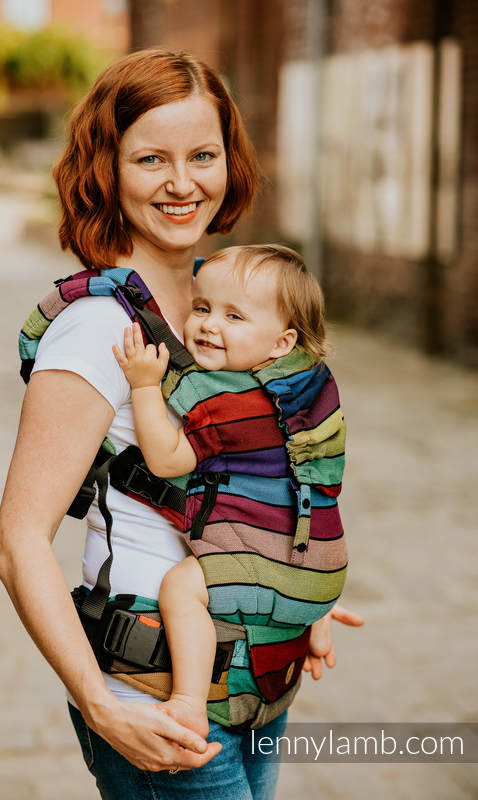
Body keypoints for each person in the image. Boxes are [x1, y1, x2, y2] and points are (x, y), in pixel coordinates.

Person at [0, 48, 363, 800]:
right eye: (150, 158)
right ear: (106, 167)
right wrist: (101, 708)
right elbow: (16, 543)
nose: (182, 183)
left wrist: (293, 591)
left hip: (255, 682)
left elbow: (257, 472)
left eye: (203, 154)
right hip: (156, 695)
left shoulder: (216, 298)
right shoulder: (98, 326)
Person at [113, 243, 347, 741]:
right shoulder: (315, 386)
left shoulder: (226, 397)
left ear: (282, 341)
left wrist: (143, 386)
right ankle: (311, 621)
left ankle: (189, 702)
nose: (208, 325)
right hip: (323, 565)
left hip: (274, 571)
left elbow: (166, 459)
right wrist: (316, 610)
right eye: (201, 307)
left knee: (180, 588)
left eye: (233, 315)